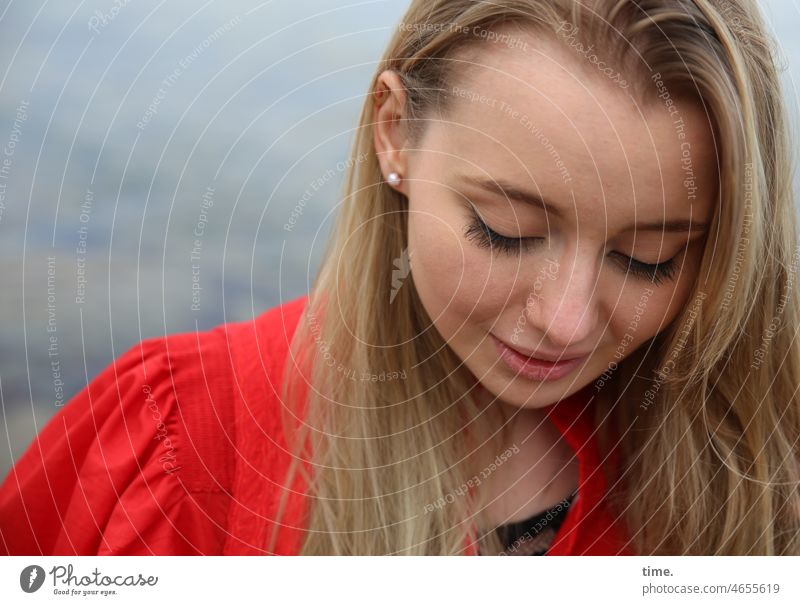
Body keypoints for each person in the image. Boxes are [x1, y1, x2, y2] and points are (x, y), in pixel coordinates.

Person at [2, 0, 799, 556]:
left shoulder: (768, 462)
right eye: (507, 230)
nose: (565, 319)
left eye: (649, 256)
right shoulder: (172, 444)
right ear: (396, 134)